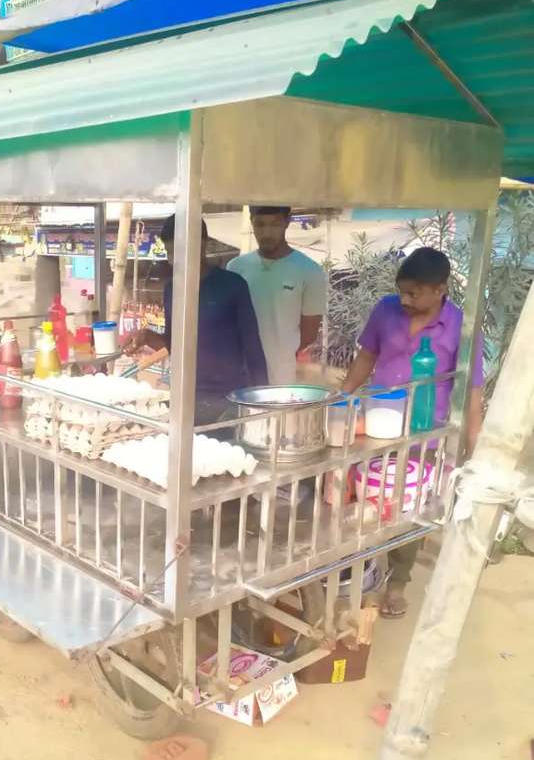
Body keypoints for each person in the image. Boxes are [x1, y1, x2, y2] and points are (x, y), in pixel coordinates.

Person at [342, 246, 484, 618]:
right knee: (366, 506)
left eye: (415, 293)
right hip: (377, 428)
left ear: (440, 288)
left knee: (409, 513)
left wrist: (476, 450)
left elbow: (472, 390)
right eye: (402, 290)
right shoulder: (385, 310)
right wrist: (339, 402)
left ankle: (398, 583)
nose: (404, 299)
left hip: (426, 436)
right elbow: (366, 358)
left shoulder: (462, 327)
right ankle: (365, 576)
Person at [125, 215, 268, 425]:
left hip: (227, 399)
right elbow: (175, 345)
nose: (172, 259)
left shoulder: (233, 285)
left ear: (202, 244)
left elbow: (253, 348)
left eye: (177, 251)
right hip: (186, 396)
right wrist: (147, 336)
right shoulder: (171, 288)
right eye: (169, 252)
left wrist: (261, 406)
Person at [228, 206, 327, 384]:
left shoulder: (310, 271)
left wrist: (281, 353)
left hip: (283, 379)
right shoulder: (236, 268)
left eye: (275, 224)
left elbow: (309, 335)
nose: (267, 232)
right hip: (240, 377)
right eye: (260, 224)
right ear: (251, 222)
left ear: (287, 222)